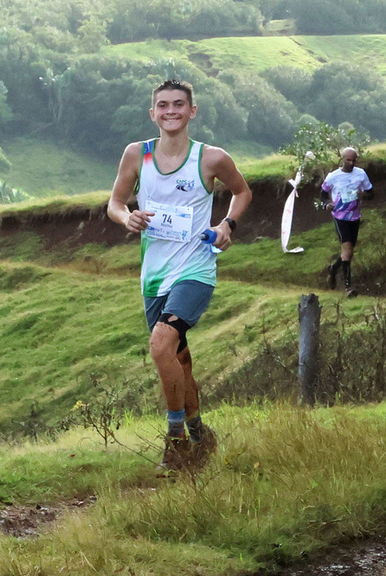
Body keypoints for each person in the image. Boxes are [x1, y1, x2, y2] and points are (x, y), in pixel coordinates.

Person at [107, 79, 252, 473]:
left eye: (178, 104)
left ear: (192, 111)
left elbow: (242, 192)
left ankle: (175, 441)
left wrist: (226, 225)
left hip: (195, 269)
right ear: (152, 113)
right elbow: (115, 203)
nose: (170, 111)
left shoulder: (211, 158)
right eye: (163, 105)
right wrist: (127, 217)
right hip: (154, 275)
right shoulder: (137, 154)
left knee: (160, 346)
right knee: (179, 360)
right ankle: (201, 436)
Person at [320, 147, 374, 291]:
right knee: (347, 249)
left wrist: (363, 195)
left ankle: (333, 268)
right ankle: (348, 287)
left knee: (349, 252)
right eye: (348, 160)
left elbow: (371, 193)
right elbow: (323, 195)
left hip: (354, 216)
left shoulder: (361, 174)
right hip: (340, 216)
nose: (351, 163)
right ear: (342, 159)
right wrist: (326, 204)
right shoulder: (333, 176)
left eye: (354, 160)